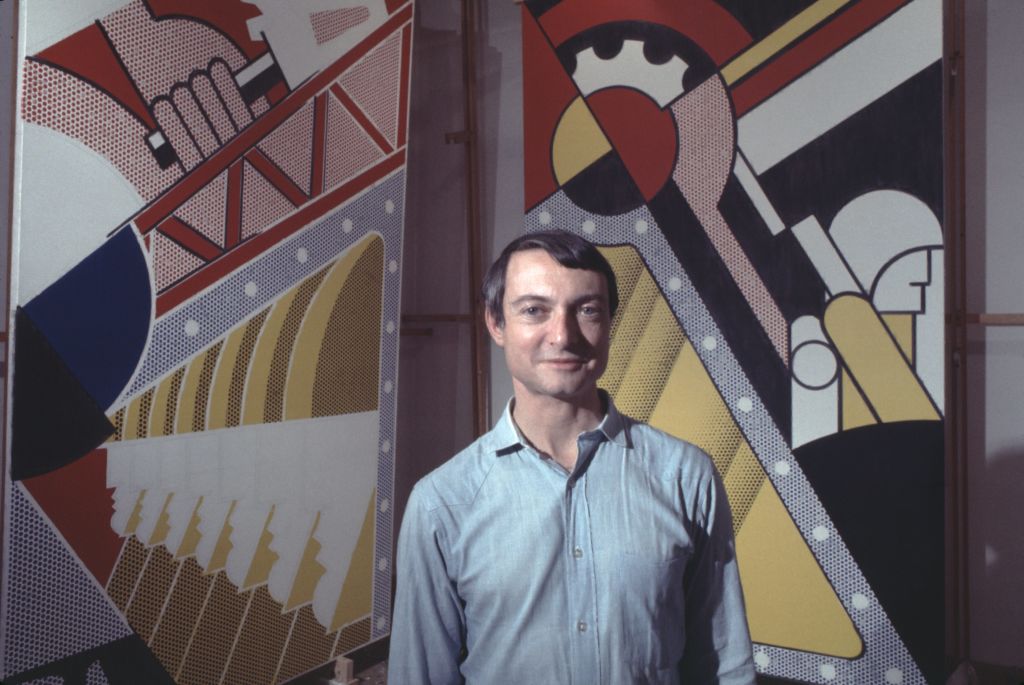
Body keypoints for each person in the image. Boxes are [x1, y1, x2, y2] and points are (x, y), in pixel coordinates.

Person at [389, 230, 755, 684]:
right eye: (534, 310)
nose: (562, 335)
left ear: (609, 324)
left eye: (587, 310)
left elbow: (723, 666)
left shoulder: (684, 477)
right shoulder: (441, 504)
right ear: (496, 323)